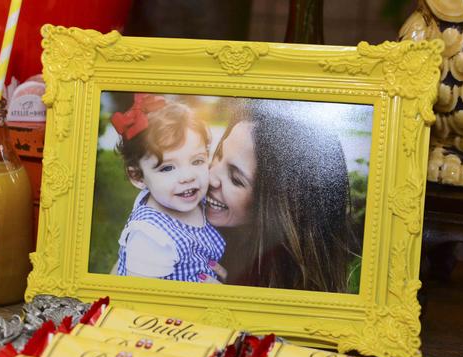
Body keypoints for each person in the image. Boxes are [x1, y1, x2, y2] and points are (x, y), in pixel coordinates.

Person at [205, 100, 355, 293]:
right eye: (218, 155)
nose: (210, 177)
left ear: (274, 206)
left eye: (236, 179)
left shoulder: (287, 290)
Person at [113, 94, 225, 282]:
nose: (188, 177)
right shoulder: (150, 237)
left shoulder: (199, 200)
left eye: (197, 160)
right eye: (167, 168)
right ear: (138, 176)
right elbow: (142, 300)